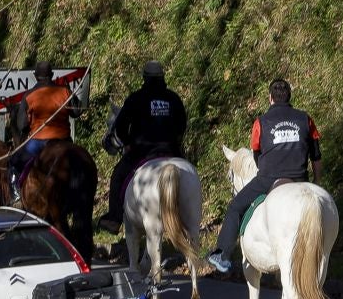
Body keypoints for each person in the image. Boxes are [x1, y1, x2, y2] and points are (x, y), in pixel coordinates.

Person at [208, 78, 321, 275]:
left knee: (235, 207)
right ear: (289, 97)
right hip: (300, 178)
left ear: (270, 98)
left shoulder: (260, 122)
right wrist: (318, 182)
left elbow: (256, 153)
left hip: (268, 178)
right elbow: (316, 156)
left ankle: (222, 254)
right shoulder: (306, 119)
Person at [101, 60, 188, 232]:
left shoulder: (135, 99)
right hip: (171, 150)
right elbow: (182, 126)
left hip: (142, 151)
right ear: (162, 77)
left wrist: (125, 142)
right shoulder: (174, 98)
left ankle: (114, 218)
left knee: (118, 176)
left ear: (145, 78)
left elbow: (121, 128)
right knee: (189, 174)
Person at [11, 62, 73, 194]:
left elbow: (22, 125)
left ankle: (16, 194)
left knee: (14, 161)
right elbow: (76, 113)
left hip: (39, 141)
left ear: (35, 76)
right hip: (64, 140)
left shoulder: (29, 96)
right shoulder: (65, 91)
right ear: (52, 75)